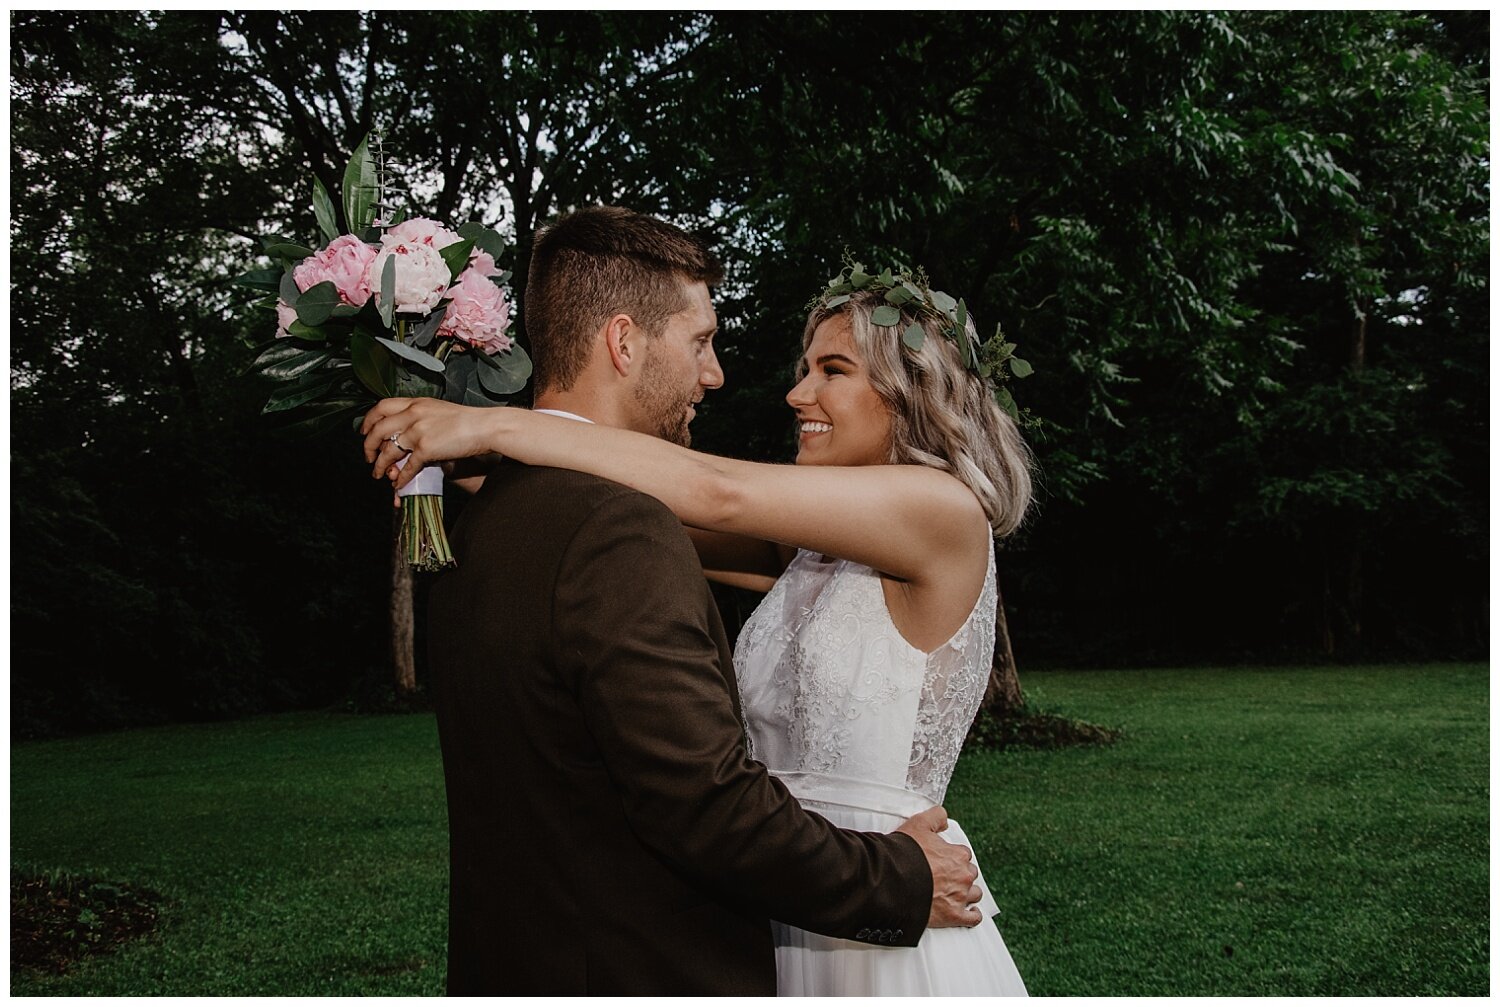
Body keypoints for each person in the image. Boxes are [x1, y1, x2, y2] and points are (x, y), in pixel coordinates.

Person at [364, 237, 1034, 995]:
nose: (796, 393)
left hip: (892, 906)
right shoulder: (812, 550)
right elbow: (627, 516)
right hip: (795, 893)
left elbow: (714, 492)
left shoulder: (942, 510)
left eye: (833, 371)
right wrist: (487, 476)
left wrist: (492, 424)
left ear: (908, 392)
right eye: (803, 369)